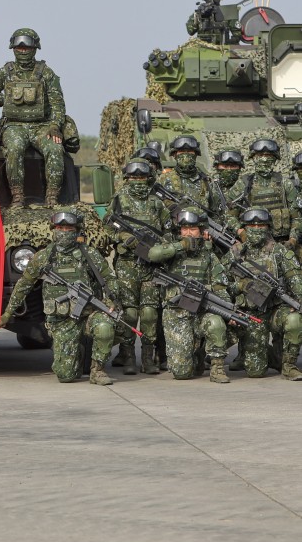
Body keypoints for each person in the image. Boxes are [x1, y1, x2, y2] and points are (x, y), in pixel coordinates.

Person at [0, 211, 119, 385]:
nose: (63, 231)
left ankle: (97, 370)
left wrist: (111, 302)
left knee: (105, 327)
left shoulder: (89, 254)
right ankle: (75, 351)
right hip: (61, 322)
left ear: (76, 231)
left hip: (88, 315)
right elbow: (23, 285)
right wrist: (7, 314)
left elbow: (108, 278)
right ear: (53, 230)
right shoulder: (44, 257)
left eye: (68, 228)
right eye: (59, 228)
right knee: (66, 376)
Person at [0, 28, 66, 208]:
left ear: (35, 48)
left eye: (27, 48)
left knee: (55, 149)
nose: (23, 51)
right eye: (19, 48)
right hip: (14, 125)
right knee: (14, 148)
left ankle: (52, 198)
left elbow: (58, 104)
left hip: (42, 126)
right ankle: (17, 197)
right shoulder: (5, 72)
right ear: (13, 49)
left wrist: (55, 126)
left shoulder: (46, 73)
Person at [148, 208, 234, 382]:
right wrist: (181, 245)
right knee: (182, 373)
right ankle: (196, 352)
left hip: (201, 311)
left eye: (192, 229)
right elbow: (152, 254)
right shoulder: (171, 249)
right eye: (184, 229)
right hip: (177, 314)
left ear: (202, 231)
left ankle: (217, 368)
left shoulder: (208, 255)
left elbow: (220, 285)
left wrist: (228, 311)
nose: (187, 233)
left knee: (216, 323)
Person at [105, 160, 169, 375]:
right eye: (134, 179)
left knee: (150, 313)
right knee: (130, 313)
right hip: (127, 265)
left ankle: (149, 359)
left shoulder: (156, 203)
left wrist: (160, 247)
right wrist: (125, 237)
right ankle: (128, 357)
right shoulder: (119, 201)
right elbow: (108, 226)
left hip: (151, 267)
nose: (138, 183)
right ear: (127, 180)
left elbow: (169, 230)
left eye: (142, 179)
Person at [225, 208, 302, 380]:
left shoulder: (279, 252)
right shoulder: (236, 253)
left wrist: (298, 302)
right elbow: (220, 284)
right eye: (252, 225)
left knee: (295, 320)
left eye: (261, 226)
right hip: (251, 315)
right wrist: (240, 286)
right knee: (255, 372)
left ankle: (288, 365)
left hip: (274, 309)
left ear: (268, 228)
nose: (257, 229)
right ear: (245, 227)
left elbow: (296, 279)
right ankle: (273, 356)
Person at [227, 139, 298, 244]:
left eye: (268, 155)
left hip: (282, 243)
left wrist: (292, 240)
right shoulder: (243, 185)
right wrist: (241, 232)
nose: (264, 159)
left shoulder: (285, 184)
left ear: (275, 158)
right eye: (260, 155)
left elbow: (297, 218)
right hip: (253, 245)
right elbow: (229, 216)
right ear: (253, 157)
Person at [154, 135, 219, 220]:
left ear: (196, 154)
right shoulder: (163, 179)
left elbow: (215, 213)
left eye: (189, 151)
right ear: (174, 155)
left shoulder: (206, 181)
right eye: (181, 151)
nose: (186, 155)